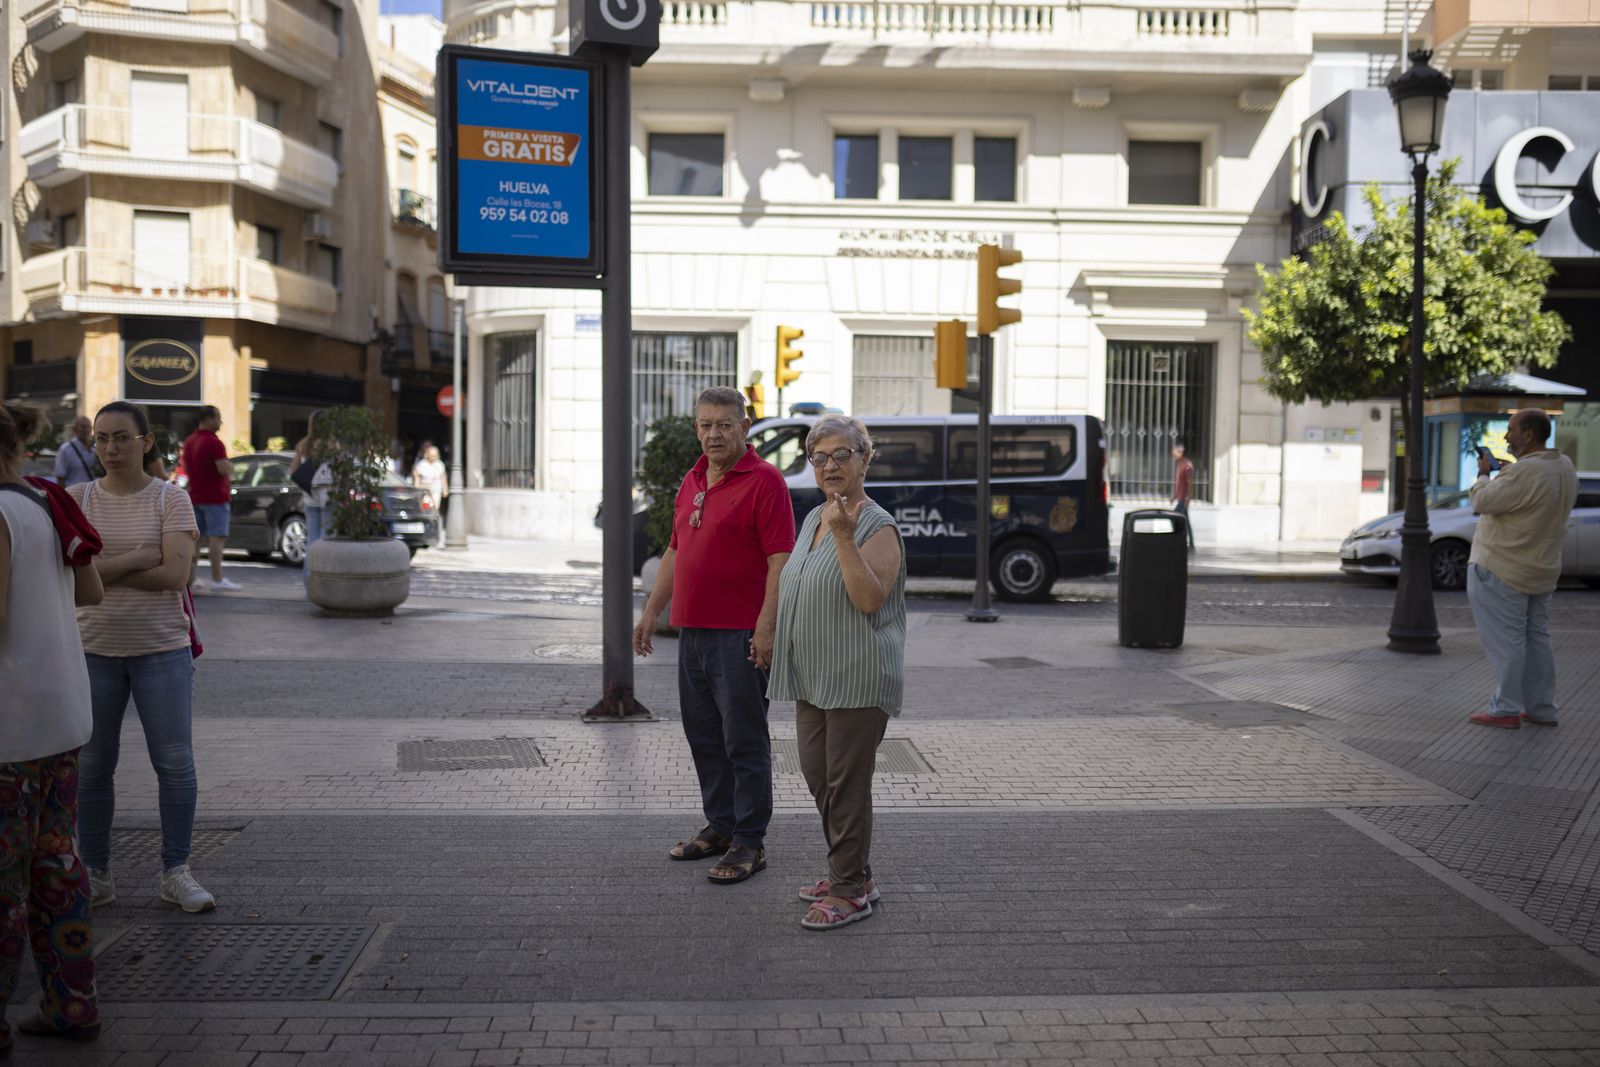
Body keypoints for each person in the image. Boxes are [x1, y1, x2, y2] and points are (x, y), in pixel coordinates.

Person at [633, 387, 795, 884]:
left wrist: (766, 626)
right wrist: (651, 611)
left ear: (744, 427)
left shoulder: (766, 481)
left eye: (725, 424)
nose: (714, 434)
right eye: (705, 425)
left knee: (743, 739)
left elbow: (780, 559)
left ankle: (750, 840)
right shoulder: (694, 478)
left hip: (739, 633)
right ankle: (721, 826)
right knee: (704, 736)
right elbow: (675, 549)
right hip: (693, 632)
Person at [69, 401, 216, 913]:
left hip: (162, 650)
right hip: (91, 650)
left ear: (146, 441)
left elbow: (175, 576)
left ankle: (176, 872)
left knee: (174, 762)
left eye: (122, 438)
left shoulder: (171, 500)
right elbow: (71, 580)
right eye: (101, 438)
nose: (110, 448)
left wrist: (99, 570)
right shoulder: (77, 499)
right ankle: (96, 873)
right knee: (92, 766)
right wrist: (134, 559)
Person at [768, 415, 906, 930]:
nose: (829, 466)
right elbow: (797, 583)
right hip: (813, 675)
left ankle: (848, 891)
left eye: (841, 455)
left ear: (864, 460)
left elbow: (869, 598)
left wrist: (846, 537)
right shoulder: (815, 518)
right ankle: (857, 874)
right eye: (819, 457)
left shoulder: (877, 526)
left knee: (846, 787)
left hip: (856, 675)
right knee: (819, 776)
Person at [0, 402, 105, 1050]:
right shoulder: (46, 501)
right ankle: (72, 1004)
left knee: (3, 881)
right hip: (61, 714)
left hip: (9, 726)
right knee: (57, 865)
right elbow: (91, 591)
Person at [1465, 409, 1578, 729]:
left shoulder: (1524, 472)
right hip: (1542, 568)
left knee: (1507, 642)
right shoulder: (1563, 466)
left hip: (1502, 567)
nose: (1506, 437)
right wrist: (1511, 472)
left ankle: (1505, 709)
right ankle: (1542, 708)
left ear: (1528, 435)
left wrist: (1484, 475)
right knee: (1537, 639)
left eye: (1511, 430)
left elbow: (1483, 501)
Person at [179, 406, 238, 592]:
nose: (220, 422)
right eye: (218, 418)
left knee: (195, 541)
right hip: (215, 497)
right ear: (208, 419)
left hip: (195, 496)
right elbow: (222, 468)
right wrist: (231, 467)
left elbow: (186, 468)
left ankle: (191, 578)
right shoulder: (215, 442)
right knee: (217, 538)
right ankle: (217, 579)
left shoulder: (189, 441)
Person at [292, 411, 332, 583]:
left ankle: (309, 585)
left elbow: (293, 472)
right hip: (328, 497)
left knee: (312, 541)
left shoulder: (303, 445)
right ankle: (323, 583)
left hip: (309, 497)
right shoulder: (333, 446)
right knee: (326, 541)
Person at [412, 443, 447, 547]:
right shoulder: (422, 464)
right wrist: (416, 487)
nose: (434, 457)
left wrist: (445, 489)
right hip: (425, 490)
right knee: (426, 510)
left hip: (436, 490)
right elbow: (416, 475)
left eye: (435, 455)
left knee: (435, 510)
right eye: (432, 455)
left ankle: (434, 532)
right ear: (427, 455)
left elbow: (443, 477)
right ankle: (425, 532)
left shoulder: (439, 465)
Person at [51, 415, 100, 488]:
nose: (86, 430)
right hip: (72, 493)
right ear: (75, 429)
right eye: (83, 427)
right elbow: (60, 477)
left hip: (91, 492)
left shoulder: (94, 449)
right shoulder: (65, 450)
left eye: (88, 426)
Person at [1171, 443, 1196, 550]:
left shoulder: (1187, 465)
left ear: (1180, 452)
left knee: (1174, 518)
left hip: (1183, 499)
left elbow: (1190, 483)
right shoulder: (1179, 464)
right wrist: (1174, 496)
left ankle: (1180, 539)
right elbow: (1180, 483)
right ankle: (1190, 541)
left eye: (1174, 452)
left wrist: (1187, 499)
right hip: (1180, 497)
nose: (1173, 454)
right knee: (1185, 520)